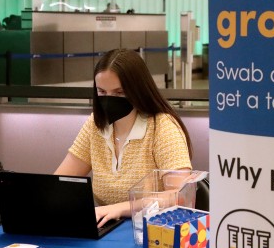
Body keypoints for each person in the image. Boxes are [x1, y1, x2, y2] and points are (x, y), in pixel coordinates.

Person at [55, 48, 192, 227]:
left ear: (138, 90)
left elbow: (180, 194)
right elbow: (60, 182)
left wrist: (122, 208)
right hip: (107, 229)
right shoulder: (95, 125)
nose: (109, 99)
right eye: (102, 92)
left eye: (119, 93)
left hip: (153, 231)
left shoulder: (162, 126)